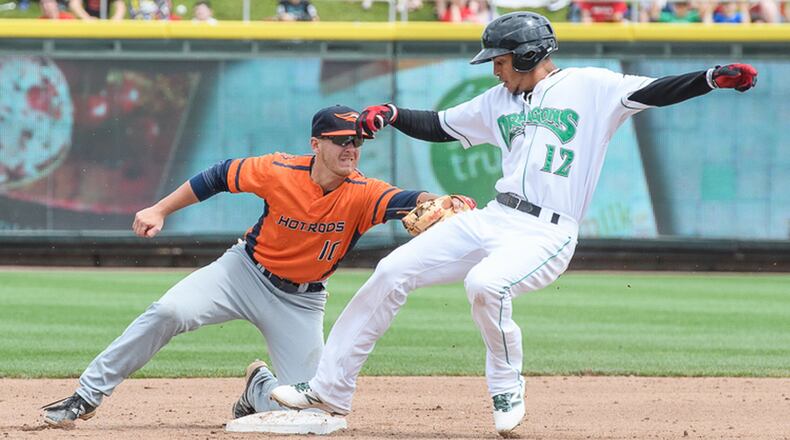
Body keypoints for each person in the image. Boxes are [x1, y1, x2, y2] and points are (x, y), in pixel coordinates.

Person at [270, 11, 758, 438]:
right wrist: (394, 114)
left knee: (486, 285)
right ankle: (329, 389)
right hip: (495, 217)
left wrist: (713, 76)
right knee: (391, 272)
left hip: (549, 231)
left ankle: (506, 389)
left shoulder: (591, 87)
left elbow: (656, 90)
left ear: (527, 56)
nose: (496, 70)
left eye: (500, 61)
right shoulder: (497, 102)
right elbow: (439, 124)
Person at [40, 105, 458, 428]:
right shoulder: (279, 170)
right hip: (242, 273)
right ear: (316, 144)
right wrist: (159, 208)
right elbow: (217, 176)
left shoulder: (365, 193)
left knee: (314, 417)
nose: (349, 149)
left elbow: (413, 200)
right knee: (169, 311)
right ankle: (87, 394)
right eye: (339, 140)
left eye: (355, 142)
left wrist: (450, 202)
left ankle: (257, 387)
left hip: (301, 302)